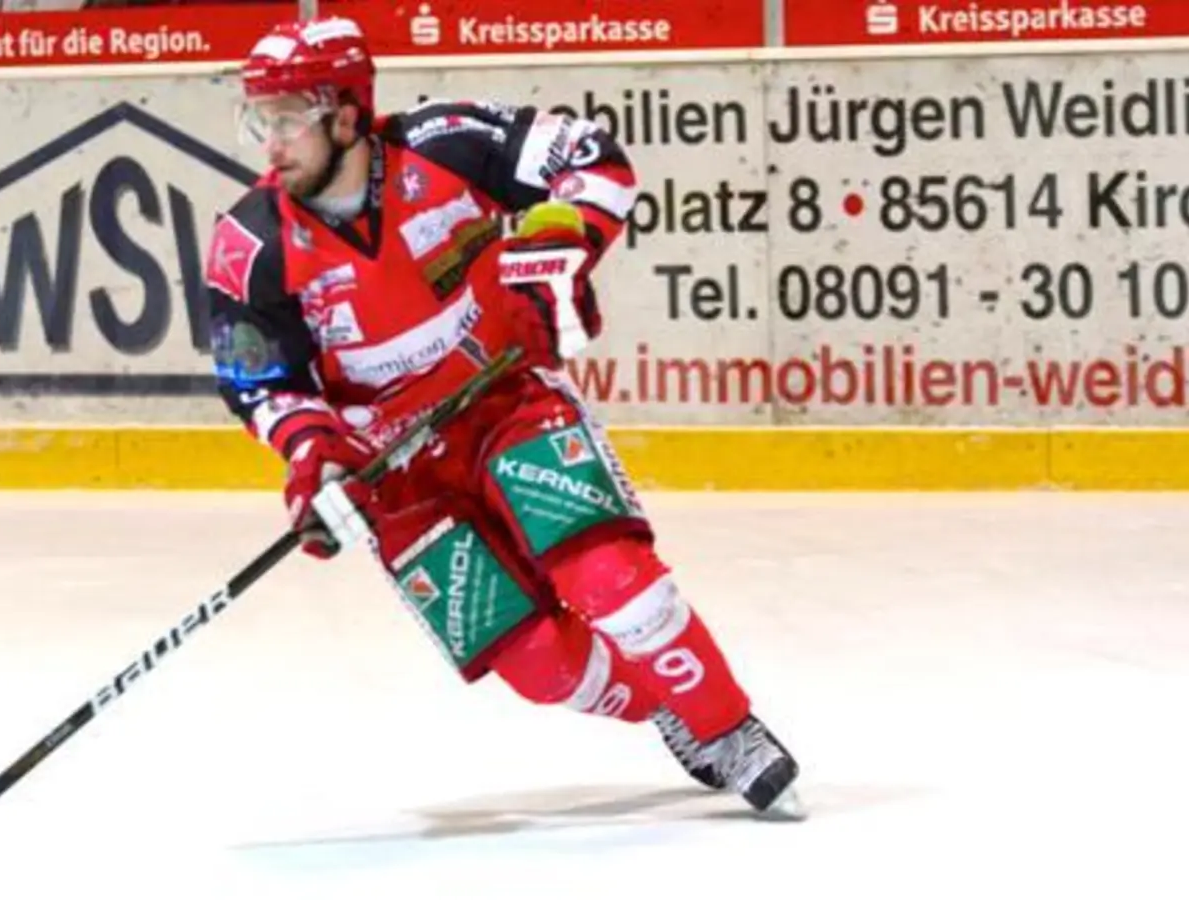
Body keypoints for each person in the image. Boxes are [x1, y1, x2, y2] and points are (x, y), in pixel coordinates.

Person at [204, 15, 804, 819]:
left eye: (287, 118)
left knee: (613, 579)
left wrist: (562, 244)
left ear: (346, 114)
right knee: (541, 667)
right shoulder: (248, 243)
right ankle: (669, 703)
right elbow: (259, 380)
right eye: (260, 118)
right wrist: (319, 461)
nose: (270, 142)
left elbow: (591, 157)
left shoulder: (447, 143)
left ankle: (726, 729)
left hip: (506, 401)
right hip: (396, 474)